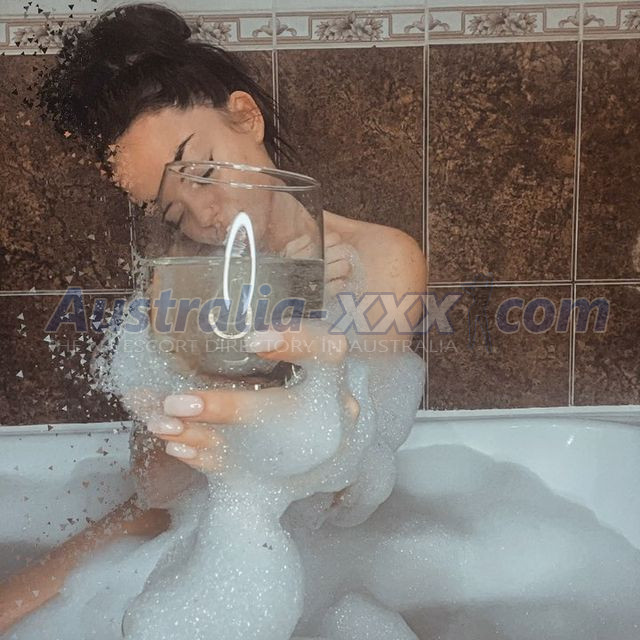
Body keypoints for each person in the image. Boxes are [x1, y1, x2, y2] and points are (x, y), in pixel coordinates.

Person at [0, 3, 426, 634]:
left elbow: (346, 485)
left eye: (201, 172)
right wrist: (206, 363)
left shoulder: (381, 258)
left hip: (307, 537)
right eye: (169, 210)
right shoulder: (182, 286)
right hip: (194, 523)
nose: (202, 217)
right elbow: (160, 483)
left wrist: (307, 333)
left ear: (245, 117)